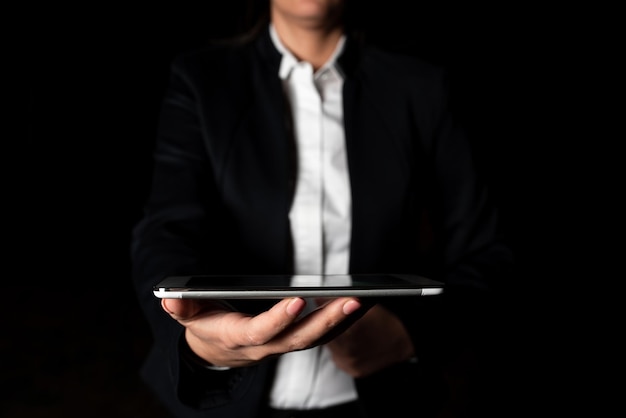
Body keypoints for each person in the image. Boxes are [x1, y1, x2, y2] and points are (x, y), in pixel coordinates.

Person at [130, 0, 515, 417]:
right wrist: (201, 340)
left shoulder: (420, 85)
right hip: (227, 401)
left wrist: (411, 333)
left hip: (383, 399)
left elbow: (490, 251)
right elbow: (165, 232)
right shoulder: (201, 79)